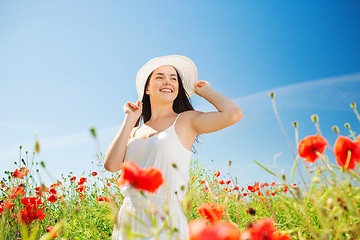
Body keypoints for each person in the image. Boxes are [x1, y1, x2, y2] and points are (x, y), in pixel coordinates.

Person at [104, 55, 242, 240]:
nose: (167, 82)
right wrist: (130, 119)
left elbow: (233, 114)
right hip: (129, 216)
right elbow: (111, 165)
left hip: (165, 218)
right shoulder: (134, 130)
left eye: (173, 78)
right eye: (159, 77)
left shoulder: (186, 120)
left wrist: (206, 91)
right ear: (147, 88)